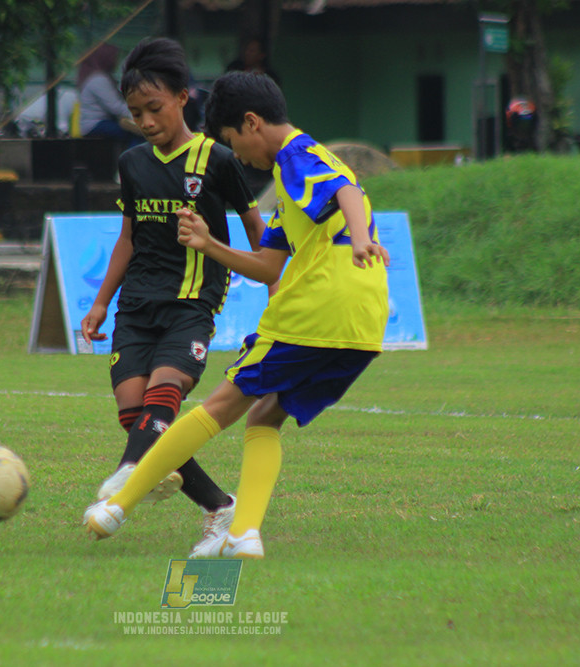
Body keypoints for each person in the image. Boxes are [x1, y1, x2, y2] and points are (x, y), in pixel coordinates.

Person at [83, 71, 391, 559]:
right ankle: (243, 534)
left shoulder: (296, 154)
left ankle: (117, 505)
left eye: (232, 142)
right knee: (265, 416)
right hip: (363, 324)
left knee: (220, 405)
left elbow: (347, 192)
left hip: (317, 310)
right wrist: (208, 244)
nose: (239, 157)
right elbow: (267, 265)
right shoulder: (291, 187)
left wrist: (359, 239)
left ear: (252, 123)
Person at [80, 40, 268, 554]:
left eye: (154, 108)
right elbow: (128, 237)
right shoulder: (132, 163)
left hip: (191, 303)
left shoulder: (217, 159)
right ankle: (219, 506)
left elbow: (258, 230)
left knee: (164, 394)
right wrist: (100, 303)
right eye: (135, 112)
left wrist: (277, 285)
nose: (145, 121)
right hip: (136, 306)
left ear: (183, 97)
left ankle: (128, 472)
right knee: (135, 415)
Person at [77, 44, 142, 147]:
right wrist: (136, 113)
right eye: (113, 58)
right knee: (135, 133)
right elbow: (115, 107)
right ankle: (133, 156)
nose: (115, 61)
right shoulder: (98, 79)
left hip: (97, 123)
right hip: (95, 124)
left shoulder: (98, 77)